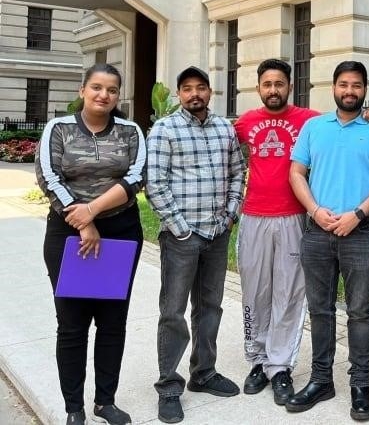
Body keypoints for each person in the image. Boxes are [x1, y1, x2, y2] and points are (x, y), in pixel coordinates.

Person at [287, 61, 369, 421]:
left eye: (356, 85)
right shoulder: (314, 127)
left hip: (361, 231)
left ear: (364, 89)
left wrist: (358, 214)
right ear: (333, 87)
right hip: (318, 229)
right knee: (320, 310)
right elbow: (296, 172)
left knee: (359, 311)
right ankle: (321, 380)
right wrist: (315, 210)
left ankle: (360, 384)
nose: (349, 91)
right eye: (343, 84)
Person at [35, 63, 145, 425]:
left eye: (112, 90)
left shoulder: (130, 131)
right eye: (97, 87)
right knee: (72, 323)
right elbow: (48, 176)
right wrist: (82, 224)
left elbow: (136, 176)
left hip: (119, 231)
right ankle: (74, 408)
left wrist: (93, 213)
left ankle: (105, 401)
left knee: (112, 321)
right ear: (82, 90)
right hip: (68, 235)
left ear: (117, 96)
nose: (104, 95)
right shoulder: (59, 129)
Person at [146, 66, 246, 424]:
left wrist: (231, 215)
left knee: (210, 307)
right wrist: (181, 229)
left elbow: (238, 173)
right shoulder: (164, 129)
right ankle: (169, 386)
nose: (194, 94)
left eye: (200, 88)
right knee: (173, 312)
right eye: (187, 88)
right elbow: (154, 183)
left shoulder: (224, 129)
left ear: (210, 91)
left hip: (218, 233)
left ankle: (204, 372)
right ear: (178, 94)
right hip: (181, 237)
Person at [233, 59, 319, 405]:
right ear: (259, 88)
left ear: (289, 87)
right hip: (253, 216)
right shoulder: (246, 123)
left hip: (293, 217)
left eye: (279, 84)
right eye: (267, 84)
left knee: (289, 293)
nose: (273, 90)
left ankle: (280, 365)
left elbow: (346, 121)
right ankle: (258, 359)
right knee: (255, 291)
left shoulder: (310, 121)